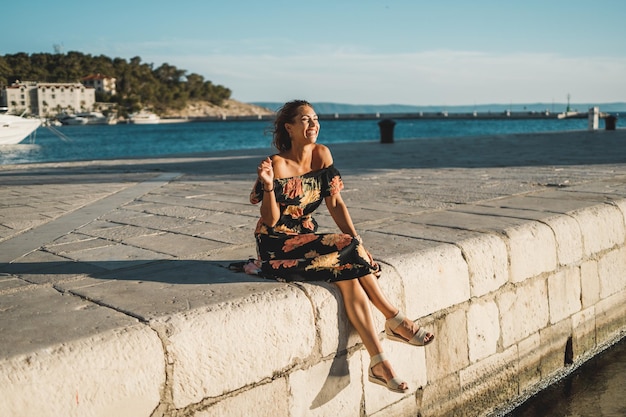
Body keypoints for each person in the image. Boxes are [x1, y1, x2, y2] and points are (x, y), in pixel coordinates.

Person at [248, 99, 434, 393]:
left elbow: (335, 203)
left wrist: (358, 245)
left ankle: (379, 363)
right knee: (347, 246)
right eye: (306, 120)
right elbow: (270, 220)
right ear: (290, 127)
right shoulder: (275, 164)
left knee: (349, 278)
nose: (314, 125)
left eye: (316, 119)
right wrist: (269, 185)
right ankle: (394, 318)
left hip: (308, 239)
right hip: (276, 245)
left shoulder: (322, 155)